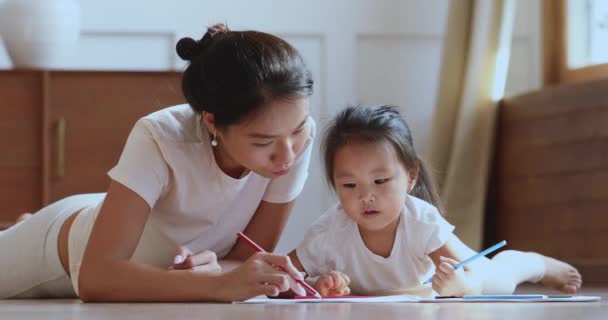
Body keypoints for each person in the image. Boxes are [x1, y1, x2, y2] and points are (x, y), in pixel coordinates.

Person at [1, 23, 315, 302]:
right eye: (263, 142)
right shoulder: (162, 136)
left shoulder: (294, 138)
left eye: (298, 130)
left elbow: (245, 256)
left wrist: (231, 275)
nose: (287, 154)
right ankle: (24, 230)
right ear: (212, 122)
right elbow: (95, 277)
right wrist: (217, 286)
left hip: (118, 216)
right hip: (62, 250)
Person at [288, 105, 582, 297]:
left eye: (380, 181)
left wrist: (460, 285)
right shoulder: (328, 233)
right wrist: (314, 285)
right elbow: (282, 279)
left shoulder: (420, 221)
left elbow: (466, 274)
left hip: (458, 280)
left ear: (411, 176)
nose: (366, 196)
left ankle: (533, 263)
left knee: (498, 279)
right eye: (349, 185)